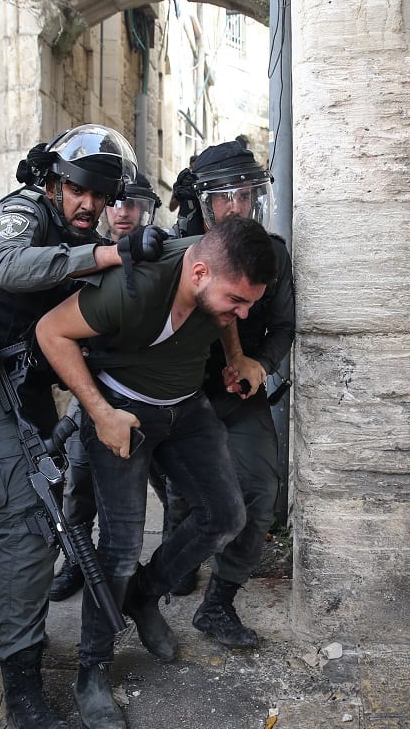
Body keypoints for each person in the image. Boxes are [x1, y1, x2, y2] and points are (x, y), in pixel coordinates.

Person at [0, 124, 158, 729]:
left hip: (24, 390)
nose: (90, 206)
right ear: (55, 183)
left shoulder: (85, 235)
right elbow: (10, 269)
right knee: (32, 525)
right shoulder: (20, 213)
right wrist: (109, 254)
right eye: (79, 190)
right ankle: (22, 684)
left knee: (37, 516)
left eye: (102, 196)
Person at [35, 218, 278, 729]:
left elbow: (228, 313)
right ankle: (92, 670)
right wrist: (100, 413)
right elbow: (50, 331)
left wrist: (236, 357)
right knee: (119, 549)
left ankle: (145, 597)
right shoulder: (137, 284)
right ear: (199, 272)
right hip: (122, 411)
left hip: (186, 408)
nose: (244, 312)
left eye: (250, 303)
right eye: (238, 300)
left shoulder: (216, 275)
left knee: (226, 516)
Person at [166, 140, 295, 647]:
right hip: (177, 391)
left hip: (237, 390)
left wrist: (258, 365)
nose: (236, 207)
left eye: (245, 195)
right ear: (204, 202)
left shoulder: (272, 256)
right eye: (224, 197)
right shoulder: (177, 254)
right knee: (183, 489)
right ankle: (171, 568)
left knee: (261, 487)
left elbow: (283, 324)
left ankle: (219, 603)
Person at [50, 171, 163, 602]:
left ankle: (149, 571)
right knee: (79, 483)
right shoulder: (84, 252)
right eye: (116, 203)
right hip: (93, 391)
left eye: (133, 204)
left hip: (147, 393)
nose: (123, 212)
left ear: (147, 210)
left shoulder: (162, 252)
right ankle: (76, 561)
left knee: (164, 481)